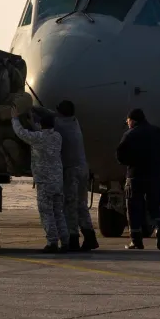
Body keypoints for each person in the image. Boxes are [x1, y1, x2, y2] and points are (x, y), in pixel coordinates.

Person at [12, 110, 67, 253]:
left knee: (46, 212)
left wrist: (15, 119)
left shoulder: (38, 138)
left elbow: (21, 133)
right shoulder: (57, 137)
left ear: (42, 126)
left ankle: (52, 242)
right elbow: (43, 134)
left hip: (44, 182)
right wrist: (34, 124)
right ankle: (65, 241)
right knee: (58, 212)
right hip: (57, 182)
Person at [115, 108, 160, 250]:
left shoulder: (130, 134)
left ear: (132, 120)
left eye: (128, 121)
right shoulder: (157, 132)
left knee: (134, 208)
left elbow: (120, 155)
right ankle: (159, 226)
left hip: (135, 176)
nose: (127, 123)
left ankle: (136, 240)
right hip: (155, 175)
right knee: (154, 206)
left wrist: (131, 161)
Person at [53, 100, 98, 252]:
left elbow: (46, 124)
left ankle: (73, 239)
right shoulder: (74, 122)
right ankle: (90, 236)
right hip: (83, 168)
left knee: (69, 206)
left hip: (71, 170)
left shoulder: (59, 126)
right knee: (81, 205)